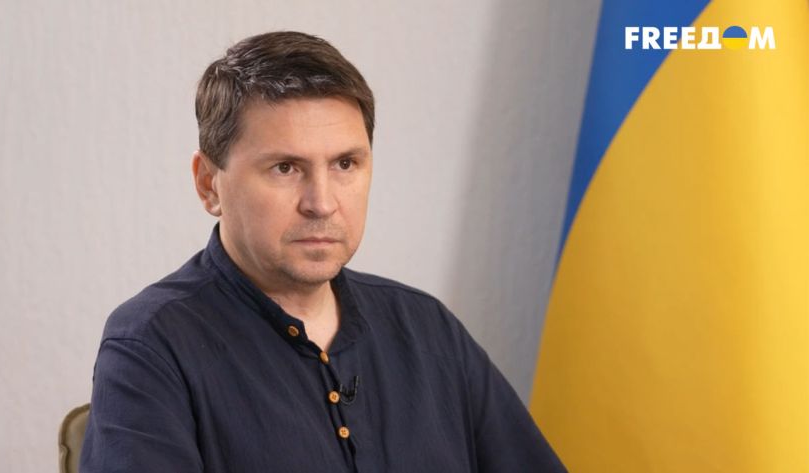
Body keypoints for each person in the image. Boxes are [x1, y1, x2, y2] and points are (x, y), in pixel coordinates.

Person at [80, 31, 565, 472]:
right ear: (209, 184)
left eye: (345, 164)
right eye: (285, 168)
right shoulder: (151, 346)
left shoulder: (427, 327)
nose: (322, 203)